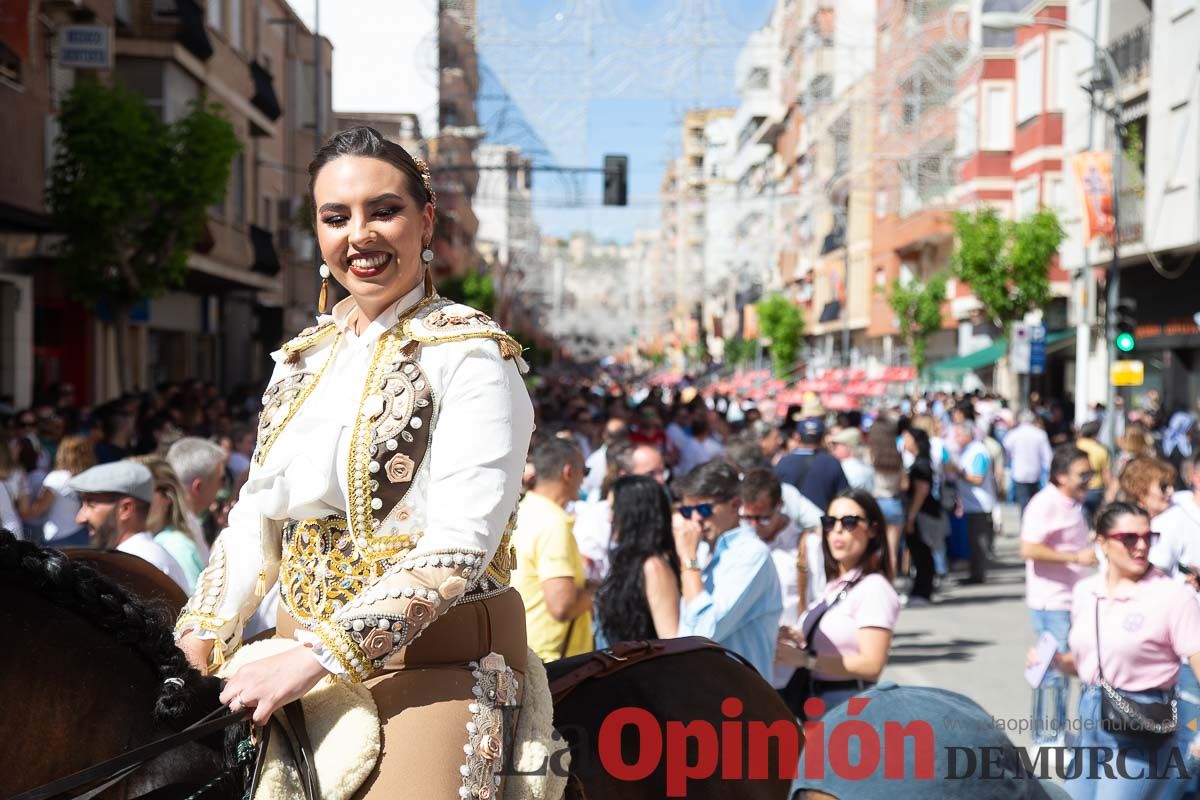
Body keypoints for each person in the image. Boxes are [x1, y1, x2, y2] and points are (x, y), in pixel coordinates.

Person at [174, 127, 535, 798]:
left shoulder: (472, 354)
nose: (358, 235)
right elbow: (256, 513)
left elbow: (460, 545)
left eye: (384, 211)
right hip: (284, 652)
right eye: (336, 217)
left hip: (435, 662)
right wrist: (201, 633)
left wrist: (315, 658)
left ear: (425, 220)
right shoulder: (301, 359)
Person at [1044, 503, 1200, 800]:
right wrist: (1055, 662)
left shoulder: (1173, 597)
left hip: (1143, 724)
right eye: (1129, 538)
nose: (1141, 546)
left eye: (1148, 536)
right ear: (1101, 541)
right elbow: (1092, 663)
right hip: (1091, 716)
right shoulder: (1085, 591)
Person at [777, 489, 899, 716]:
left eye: (850, 522)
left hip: (850, 708)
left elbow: (872, 665)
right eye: (829, 522)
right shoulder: (838, 584)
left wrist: (806, 659)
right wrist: (798, 637)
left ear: (872, 529)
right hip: (819, 703)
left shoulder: (874, 588)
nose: (838, 530)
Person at [673, 460, 782, 680]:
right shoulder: (701, 549)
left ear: (734, 506)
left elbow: (703, 633)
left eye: (704, 510)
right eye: (687, 511)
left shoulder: (751, 554)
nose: (696, 520)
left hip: (741, 700)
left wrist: (689, 562)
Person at [1019, 446, 1097, 745]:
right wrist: (1075, 556)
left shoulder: (1072, 502)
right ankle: (1047, 737)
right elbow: (1028, 549)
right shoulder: (1044, 504)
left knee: (1066, 666)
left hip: (1071, 599)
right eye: (1083, 474)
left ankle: (1058, 732)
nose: (1089, 479)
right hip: (1051, 601)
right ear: (1060, 476)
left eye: (1091, 472)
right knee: (1054, 669)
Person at [511, 435, 594, 661]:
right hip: (553, 663)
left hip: (525, 649)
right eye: (584, 472)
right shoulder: (554, 523)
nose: (583, 481)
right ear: (568, 472)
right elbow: (561, 606)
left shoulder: (523, 511)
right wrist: (594, 592)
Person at [738, 468, 812, 714]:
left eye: (762, 518)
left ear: (780, 505)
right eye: (748, 518)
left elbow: (818, 600)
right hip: (746, 667)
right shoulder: (738, 545)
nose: (754, 525)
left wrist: (798, 632)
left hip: (790, 670)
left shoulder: (805, 545)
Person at [71, 461, 189, 590]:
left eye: (91, 504)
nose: (80, 518)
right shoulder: (140, 559)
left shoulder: (135, 565)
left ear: (126, 509)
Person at [593, 475, 680, 646]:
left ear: (635, 513)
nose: (609, 518)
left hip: (644, 670)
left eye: (614, 509)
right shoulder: (627, 560)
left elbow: (671, 640)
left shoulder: (654, 567)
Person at [133, 455, 205, 593]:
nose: (133, 500)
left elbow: (189, 607)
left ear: (167, 496)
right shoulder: (162, 540)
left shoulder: (175, 545)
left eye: (143, 492)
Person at [18, 434, 94, 547]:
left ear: (62, 453)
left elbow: (36, 510)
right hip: (84, 535)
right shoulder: (91, 477)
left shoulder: (57, 478)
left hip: (58, 538)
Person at [901, 427, 943, 606]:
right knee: (921, 553)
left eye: (907, 438)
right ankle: (920, 589)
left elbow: (921, 491)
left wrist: (911, 516)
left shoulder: (922, 464)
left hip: (923, 515)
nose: (904, 442)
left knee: (923, 553)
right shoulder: (920, 461)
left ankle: (923, 592)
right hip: (922, 513)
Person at [951, 422, 996, 585]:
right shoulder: (969, 451)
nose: (956, 438)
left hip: (979, 505)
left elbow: (978, 477)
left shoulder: (978, 451)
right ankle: (975, 572)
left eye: (959, 435)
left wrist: (959, 474)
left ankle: (978, 574)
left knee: (978, 541)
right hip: (970, 504)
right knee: (973, 541)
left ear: (968, 435)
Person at [166, 436, 226, 555]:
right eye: (221, 480)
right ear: (198, 487)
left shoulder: (190, 526)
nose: (223, 487)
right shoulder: (180, 545)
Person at [775, 417, 849, 511]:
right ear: (823, 438)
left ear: (797, 437)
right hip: (822, 522)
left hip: (791, 522)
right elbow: (844, 498)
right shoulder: (832, 463)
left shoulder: (783, 462)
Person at [867, 416, 906, 582]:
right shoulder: (896, 455)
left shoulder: (869, 454)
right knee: (892, 553)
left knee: (874, 550)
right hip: (894, 503)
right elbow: (904, 484)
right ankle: (890, 585)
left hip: (875, 504)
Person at [1004, 410, 1052, 516]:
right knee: (1035, 505)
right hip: (1036, 474)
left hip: (1019, 474)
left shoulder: (1012, 434)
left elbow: (1007, 453)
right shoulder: (1040, 434)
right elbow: (1047, 457)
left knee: (1023, 505)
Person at [1076, 420, 1112, 523]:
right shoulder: (1101, 450)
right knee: (1097, 520)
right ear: (1095, 434)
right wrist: (1109, 490)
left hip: (1079, 489)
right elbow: (1106, 474)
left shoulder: (1075, 447)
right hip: (1096, 490)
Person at [828, 427, 874, 493]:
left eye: (837, 445)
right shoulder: (867, 466)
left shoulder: (846, 467)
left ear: (848, 447)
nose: (833, 449)